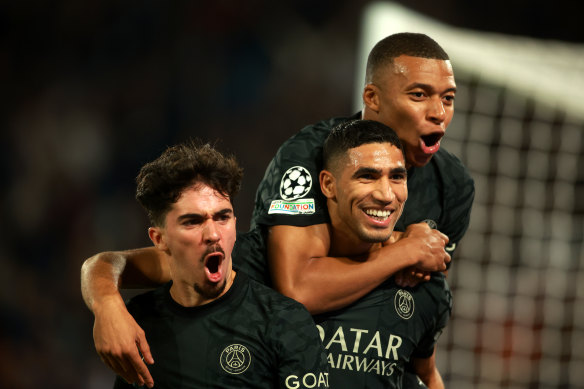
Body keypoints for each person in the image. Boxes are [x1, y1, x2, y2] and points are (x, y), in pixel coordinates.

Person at [81, 32, 474, 386]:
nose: (438, 112)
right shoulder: (308, 158)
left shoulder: (451, 187)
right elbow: (298, 287)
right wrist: (107, 303)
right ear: (328, 185)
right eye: (420, 95)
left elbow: (420, 334)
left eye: (448, 98)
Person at [95, 141, 329, 388]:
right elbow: (104, 264)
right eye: (193, 221)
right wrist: (106, 305)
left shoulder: (283, 322)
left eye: (222, 217)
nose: (213, 234)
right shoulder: (139, 321)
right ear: (159, 239)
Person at [313, 119, 451, 388]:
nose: (387, 195)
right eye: (367, 176)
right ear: (328, 185)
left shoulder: (425, 286)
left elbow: (428, 376)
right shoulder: (269, 274)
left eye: (397, 177)